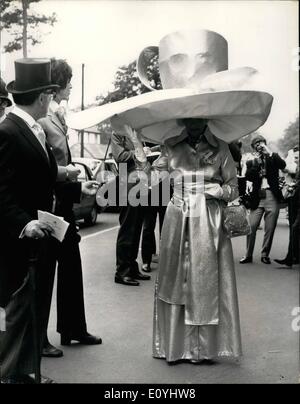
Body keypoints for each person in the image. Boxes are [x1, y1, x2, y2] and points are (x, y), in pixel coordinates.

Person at [0, 58, 62, 383]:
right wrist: (24, 224)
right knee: (17, 314)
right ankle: (9, 375)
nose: (51, 100)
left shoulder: (30, 128)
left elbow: (38, 177)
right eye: (50, 94)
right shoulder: (8, 131)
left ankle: (25, 373)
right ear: (42, 97)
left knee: (32, 312)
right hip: (18, 244)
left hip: (39, 241)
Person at [38, 58, 102, 356]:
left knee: (71, 266)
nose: (71, 87)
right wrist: (70, 175)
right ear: (56, 86)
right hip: (48, 206)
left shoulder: (57, 116)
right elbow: (46, 168)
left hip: (63, 203)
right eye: (69, 82)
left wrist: (77, 186)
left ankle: (72, 327)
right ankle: (38, 338)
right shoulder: (42, 119)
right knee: (45, 270)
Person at [110, 130, 151, 286]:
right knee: (127, 228)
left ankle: (131, 267)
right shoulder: (117, 133)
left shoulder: (137, 132)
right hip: (127, 185)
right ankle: (122, 271)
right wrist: (138, 152)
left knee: (137, 227)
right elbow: (119, 157)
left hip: (141, 184)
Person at [240, 135, 286, 264]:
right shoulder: (251, 161)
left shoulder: (273, 157)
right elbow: (248, 177)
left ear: (265, 144)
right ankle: (248, 255)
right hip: (257, 197)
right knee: (251, 226)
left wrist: (269, 153)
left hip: (272, 195)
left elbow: (282, 165)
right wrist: (255, 163)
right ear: (253, 147)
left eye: (261, 143)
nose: (259, 145)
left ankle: (265, 254)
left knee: (270, 228)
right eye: (256, 144)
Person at [274, 146, 299, 268]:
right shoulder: (294, 163)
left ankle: (292, 257)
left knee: (295, 229)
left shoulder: (293, 165)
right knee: (293, 230)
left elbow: (287, 169)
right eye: (296, 157)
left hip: (295, 198)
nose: (296, 160)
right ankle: (291, 257)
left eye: (298, 157)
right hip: (294, 199)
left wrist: (293, 186)